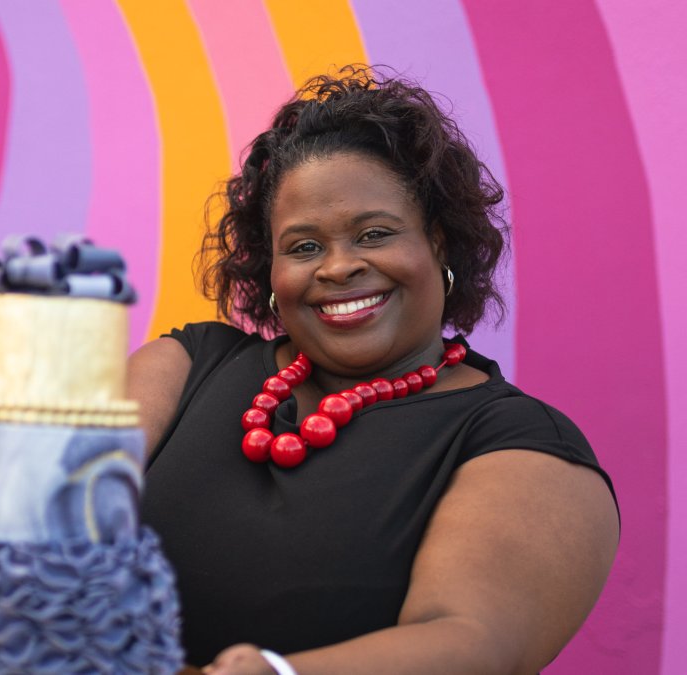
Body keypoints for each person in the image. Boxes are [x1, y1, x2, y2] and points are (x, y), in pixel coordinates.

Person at [128, 68, 619, 674]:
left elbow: (474, 646)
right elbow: (48, 516)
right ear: (270, 272)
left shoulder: (519, 442)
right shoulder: (186, 366)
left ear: (439, 244)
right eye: (304, 247)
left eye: (374, 234)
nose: (338, 268)